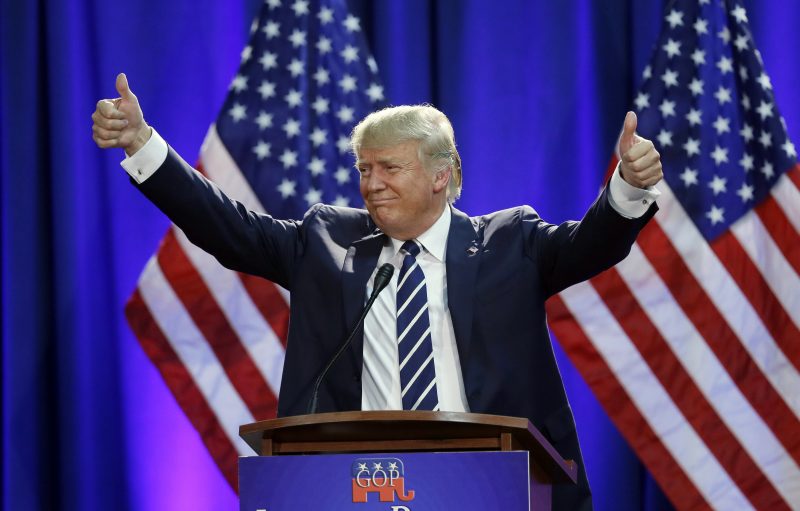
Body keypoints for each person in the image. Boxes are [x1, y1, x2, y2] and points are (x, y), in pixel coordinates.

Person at [93, 73, 663, 510]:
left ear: (442, 175)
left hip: (494, 486)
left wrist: (627, 189)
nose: (371, 185)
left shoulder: (510, 242)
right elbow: (229, 228)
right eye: (364, 170)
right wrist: (144, 146)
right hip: (357, 488)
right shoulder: (325, 242)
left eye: (389, 168)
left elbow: (592, 245)